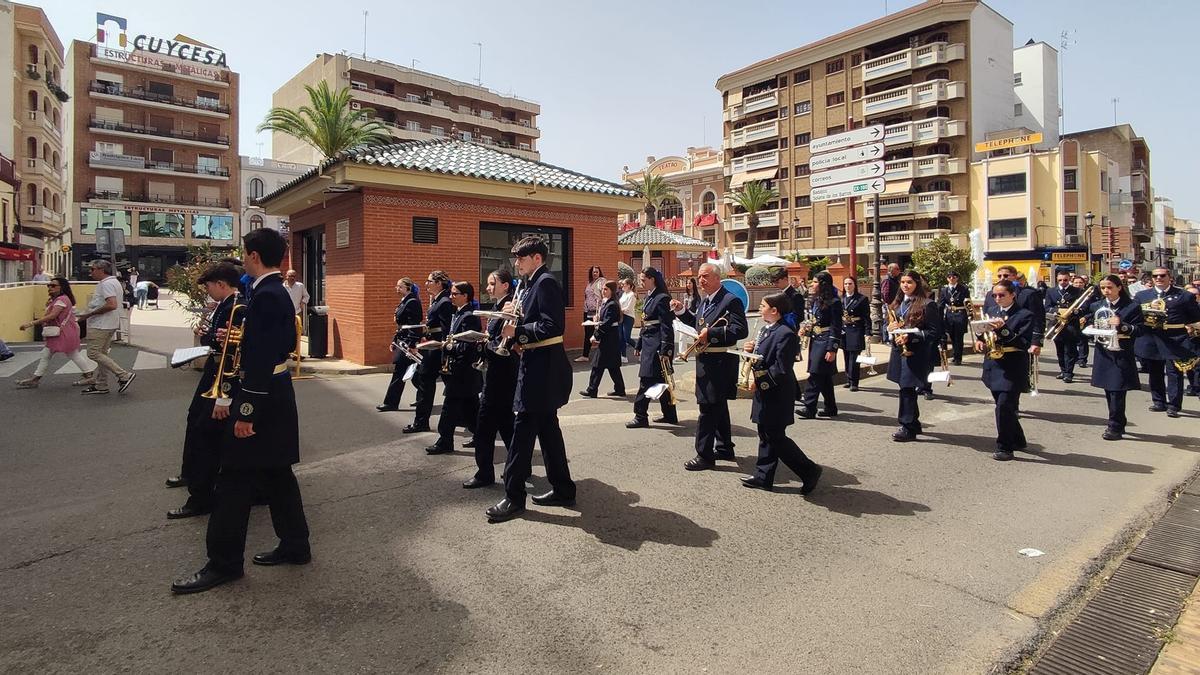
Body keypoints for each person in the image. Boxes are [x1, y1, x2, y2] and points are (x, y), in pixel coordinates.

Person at [172, 228, 311, 594]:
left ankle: (224, 563)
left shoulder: (266, 295)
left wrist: (244, 411)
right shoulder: (267, 292)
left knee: (234, 479)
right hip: (274, 395)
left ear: (252, 256)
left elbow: (263, 358)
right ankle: (296, 545)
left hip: (261, 399)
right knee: (278, 475)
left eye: (244, 253)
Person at [486, 236, 576, 523]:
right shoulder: (527, 285)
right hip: (536, 364)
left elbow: (552, 325)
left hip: (543, 369)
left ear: (537, 258)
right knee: (548, 431)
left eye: (521, 259)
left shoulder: (545, 282)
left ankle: (513, 498)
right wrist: (512, 319)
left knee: (522, 433)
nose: (517, 264)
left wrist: (518, 332)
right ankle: (563, 488)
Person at [166, 263, 244, 519]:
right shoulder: (223, 305)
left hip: (221, 374)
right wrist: (205, 333)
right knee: (198, 424)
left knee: (206, 435)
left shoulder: (236, 306)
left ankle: (202, 495)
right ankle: (196, 479)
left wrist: (224, 395)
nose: (208, 291)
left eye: (209, 286)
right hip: (215, 370)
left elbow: (226, 346)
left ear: (221, 284)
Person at [740, 293, 822, 493]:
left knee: (776, 437)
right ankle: (763, 476)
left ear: (775, 310)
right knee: (765, 434)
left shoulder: (785, 333)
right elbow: (761, 358)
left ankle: (809, 469)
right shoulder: (766, 330)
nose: (759, 308)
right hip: (766, 390)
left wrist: (761, 383)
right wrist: (749, 350)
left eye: (763, 306)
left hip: (776, 392)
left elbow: (781, 368)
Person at [671, 263, 748, 470]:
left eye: (705, 276)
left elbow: (740, 330)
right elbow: (698, 324)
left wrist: (712, 334)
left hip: (720, 362)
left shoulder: (730, 300)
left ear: (717, 278)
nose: (701, 280)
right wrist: (681, 311)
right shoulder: (706, 301)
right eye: (699, 277)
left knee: (707, 408)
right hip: (706, 362)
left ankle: (704, 455)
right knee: (718, 407)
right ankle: (724, 448)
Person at [464, 270, 519, 489]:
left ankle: (484, 473)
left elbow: (505, 340)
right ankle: (520, 467)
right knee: (507, 426)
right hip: (498, 372)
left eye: (491, 283)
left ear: (505, 285)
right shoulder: (498, 307)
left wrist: (486, 342)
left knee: (484, 427)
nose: (487, 287)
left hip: (501, 373)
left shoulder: (510, 307)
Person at [975, 280, 1034, 461]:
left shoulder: (1024, 315)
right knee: (1003, 406)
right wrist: (980, 340)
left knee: (1004, 406)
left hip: (1013, 366)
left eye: (1002, 295)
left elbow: (1023, 343)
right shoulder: (992, 312)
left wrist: (1004, 330)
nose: (998, 298)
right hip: (994, 365)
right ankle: (1018, 438)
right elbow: (983, 332)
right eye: (995, 295)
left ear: (1012, 295)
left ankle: (1005, 447)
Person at [425, 281, 483, 455]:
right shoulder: (457, 314)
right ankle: (481, 436)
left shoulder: (469, 316)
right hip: (459, 370)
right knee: (470, 408)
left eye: (455, 294)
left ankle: (445, 441)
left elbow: (468, 346)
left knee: (449, 407)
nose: (451, 296)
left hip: (463, 371)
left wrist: (447, 346)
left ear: (465, 296)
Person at [1134, 267, 1200, 417]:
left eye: (1162, 275)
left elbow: (1195, 317)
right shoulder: (1142, 296)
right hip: (1152, 338)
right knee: (1155, 372)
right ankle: (1158, 401)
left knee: (1174, 372)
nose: (1159, 278)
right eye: (1155, 276)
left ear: (1169, 277)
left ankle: (1174, 405)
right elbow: (1135, 316)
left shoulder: (1184, 295)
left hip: (1175, 338)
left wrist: (1191, 327)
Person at [1084, 275, 1144, 441]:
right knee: (1108, 389)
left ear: (1119, 287)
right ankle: (1119, 420)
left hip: (1122, 351)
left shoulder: (1132, 306)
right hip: (1104, 352)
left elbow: (1140, 330)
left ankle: (1114, 426)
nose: (1106, 291)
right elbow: (1091, 322)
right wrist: (1089, 326)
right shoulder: (1097, 305)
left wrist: (1122, 325)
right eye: (1103, 288)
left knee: (1118, 390)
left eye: (1110, 287)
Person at [886, 270, 942, 442]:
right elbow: (889, 327)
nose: (905, 285)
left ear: (917, 284)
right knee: (904, 387)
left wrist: (911, 336)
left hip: (916, 352)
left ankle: (907, 426)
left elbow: (935, 332)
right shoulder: (896, 304)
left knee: (907, 389)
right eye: (903, 282)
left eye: (909, 282)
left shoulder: (927, 304)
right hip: (899, 351)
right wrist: (889, 330)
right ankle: (914, 423)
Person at [15, 277, 94, 388]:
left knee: (66, 354)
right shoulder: (60, 299)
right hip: (63, 331)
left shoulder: (61, 300)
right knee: (56, 354)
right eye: (49, 285)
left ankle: (88, 376)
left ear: (62, 287)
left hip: (63, 332)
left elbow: (52, 316)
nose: (49, 288)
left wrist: (30, 324)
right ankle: (88, 375)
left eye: (53, 286)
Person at [627, 267, 677, 428]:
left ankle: (640, 415)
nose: (641, 282)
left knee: (647, 379)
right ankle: (670, 414)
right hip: (648, 342)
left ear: (652, 279)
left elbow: (666, 326)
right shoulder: (649, 297)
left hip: (657, 344)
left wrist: (665, 348)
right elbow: (645, 322)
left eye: (643, 279)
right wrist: (639, 343)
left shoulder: (662, 298)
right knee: (661, 380)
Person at [76, 260, 135, 395]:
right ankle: (101, 384)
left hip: (100, 325)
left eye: (92, 269)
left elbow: (111, 304)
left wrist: (88, 314)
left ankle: (123, 375)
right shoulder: (112, 282)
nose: (90, 272)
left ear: (101, 270)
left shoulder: (107, 284)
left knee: (93, 353)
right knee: (102, 354)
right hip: (109, 324)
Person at [406, 271, 454, 434]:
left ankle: (421, 421)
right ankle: (422, 420)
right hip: (431, 345)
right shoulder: (437, 300)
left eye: (429, 281)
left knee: (427, 383)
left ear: (439, 283)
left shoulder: (444, 301)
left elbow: (447, 329)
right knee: (427, 381)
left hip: (437, 348)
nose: (426, 284)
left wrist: (443, 347)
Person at [796, 271, 842, 418]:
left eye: (815, 282)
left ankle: (809, 407)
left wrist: (832, 348)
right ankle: (831, 407)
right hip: (816, 339)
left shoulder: (834, 302)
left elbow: (836, 326)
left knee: (815, 374)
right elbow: (815, 321)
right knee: (824, 376)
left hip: (826, 340)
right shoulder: (816, 300)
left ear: (823, 284)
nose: (812, 284)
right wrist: (806, 330)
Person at [377, 278, 423, 412]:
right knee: (414, 374)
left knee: (399, 372)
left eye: (400, 286)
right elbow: (400, 326)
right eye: (397, 286)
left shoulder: (413, 302)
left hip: (407, 343)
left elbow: (415, 325)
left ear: (408, 287)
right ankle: (424, 396)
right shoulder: (405, 301)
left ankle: (391, 403)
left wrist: (412, 343)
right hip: (401, 340)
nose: (397, 289)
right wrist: (394, 340)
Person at [580, 280, 627, 399]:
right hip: (610, 337)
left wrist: (595, 335)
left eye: (606, 289)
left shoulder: (612, 304)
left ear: (612, 290)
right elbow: (604, 320)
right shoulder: (607, 303)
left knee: (598, 364)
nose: (603, 291)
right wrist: (597, 319)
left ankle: (592, 390)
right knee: (612, 366)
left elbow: (607, 323)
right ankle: (620, 389)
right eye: (602, 289)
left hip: (609, 338)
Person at [1045, 270, 1085, 383]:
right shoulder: (1051, 291)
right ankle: (1063, 370)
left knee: (1070, 350)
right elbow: (1047, 307)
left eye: (1065, 280)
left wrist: (1073, 312)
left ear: (1069, 280)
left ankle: (1069, 372)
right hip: (1057, 324)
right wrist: (1058, 311)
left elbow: (1083, 308)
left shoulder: (1077, 291)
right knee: (1060, 350)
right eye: (1060, 280)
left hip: (1070, 324)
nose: (1063, 282)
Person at [840, 276, 871, 391]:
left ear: (854, 285)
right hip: (844, 330)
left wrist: (868, 332)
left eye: (850, 284)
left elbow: (866, 317)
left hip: (856, 329)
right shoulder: (841, 298)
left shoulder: (861, 299)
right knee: (846, 356)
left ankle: (854, 382)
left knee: (854, 357)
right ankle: (848, 379)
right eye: (846, 284)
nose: (848, 286)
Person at [938, 271, 971, 366]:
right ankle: (955, 355)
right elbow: (941, 303)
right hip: (949, 315)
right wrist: (939, 316)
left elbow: (968, 302)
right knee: (952, 336)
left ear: (957, 278)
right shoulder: (944, 290)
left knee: (959, 337)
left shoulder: (963, 288)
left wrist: (970, 315)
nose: (951, 279)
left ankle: (958, 358)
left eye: (954, 277)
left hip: (960, 314)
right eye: (949, 277)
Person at [578, 265, 606, 362]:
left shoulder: (601, 282)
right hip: (587, 311)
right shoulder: (589, 283)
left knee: (599, 333)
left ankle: (604, 355)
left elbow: (603, 295)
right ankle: (585, 355)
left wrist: (600, 309)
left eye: (597, 272)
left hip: (596, 312)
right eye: (593, 272)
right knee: (588, 334)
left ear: (599, 273)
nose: (595, 274)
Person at [677, 277, 703, 357]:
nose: (688, 285)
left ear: (693, 284)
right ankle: (682, 353)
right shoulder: (685, 295)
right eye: (687, 283)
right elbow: (684, 306)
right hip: (685, 318)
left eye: (690, 283)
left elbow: (698, 308)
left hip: (692, 317)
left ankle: (699, 350)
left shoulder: (697, 296)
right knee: (682, 335)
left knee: (695, 336)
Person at [1072, 275, 1092, 369]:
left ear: (1084, 284)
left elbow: (1093, 309)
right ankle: (1074, 357)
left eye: (1080, 282)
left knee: (1082, 341)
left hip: (1083, 319)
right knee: (1072, 341)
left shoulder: (1089, 295)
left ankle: (1082, 360)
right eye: (1076, 282)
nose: (1078, 284)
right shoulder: (1069, 294)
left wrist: (1086, 317)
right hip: (1071, 320)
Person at [879, 263, 902, 341]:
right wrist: (889, 304)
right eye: (897, 269)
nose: (899, 271)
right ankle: (886, 339)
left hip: (896, 304)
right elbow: (885, 293)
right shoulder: (887, 280)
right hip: (890, 305)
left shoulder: (895, 280)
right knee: (888, 320)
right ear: (892, 270)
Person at [618, 277, 637, 361]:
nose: (622, 286)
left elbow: (628, 308)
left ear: (629, 286)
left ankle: (639, 348)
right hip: (621, 316)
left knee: (627, 337)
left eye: (624, 285)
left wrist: (620, 310)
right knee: (620, 337)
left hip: (628, 317)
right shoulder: (623, 294)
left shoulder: (632, 295)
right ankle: (623, 356)